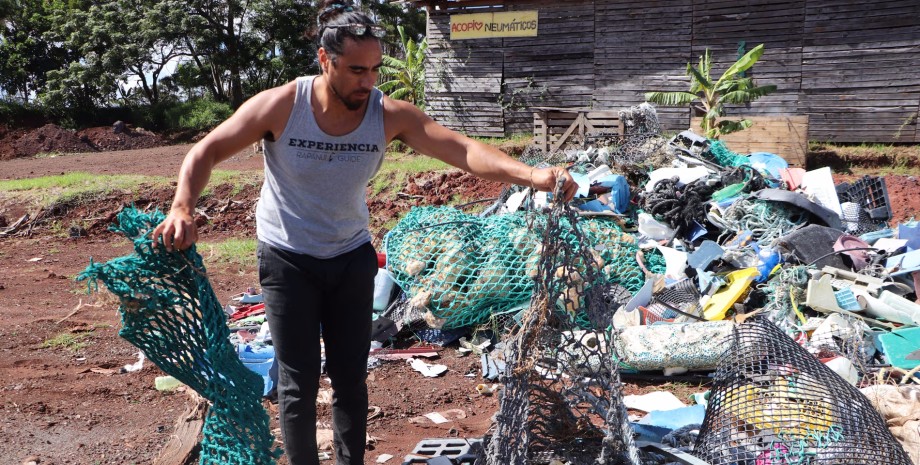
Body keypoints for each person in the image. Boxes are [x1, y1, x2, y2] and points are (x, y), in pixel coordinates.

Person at [151, 1, 576, 463]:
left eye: (374, 69)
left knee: (351, 378)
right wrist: (181, 207)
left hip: (351, 258)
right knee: (298, 381)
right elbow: (206, 151)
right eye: (355, 70)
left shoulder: (387, 114)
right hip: (287, 258)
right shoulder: (281, 105)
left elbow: (463, 150)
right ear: (324, 60)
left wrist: (535, 176)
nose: (368, 81)